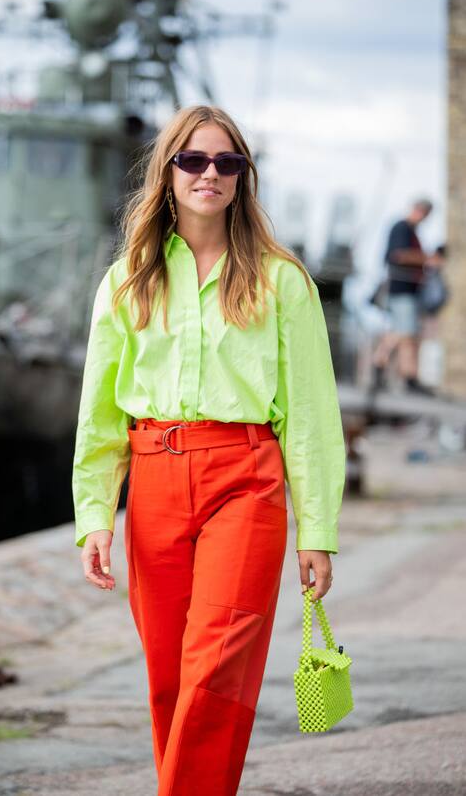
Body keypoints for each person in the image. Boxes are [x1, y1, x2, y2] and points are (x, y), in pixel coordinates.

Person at [72, 105, 346, 795]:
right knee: (170, 676)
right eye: (193, 160)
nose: (210, 174)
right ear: (166, 173)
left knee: (216, 662)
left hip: (246, 482)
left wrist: (317, 530)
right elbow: (100, 413)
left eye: (227, 163)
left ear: (244, 178)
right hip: (156, 483)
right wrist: (95, 514)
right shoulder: (126, 280)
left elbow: (311, 417)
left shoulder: (284, 282)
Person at [371, 198, 445, 395]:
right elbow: (398, 255)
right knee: (405, 332)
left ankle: (403, 374)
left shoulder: (411, 231)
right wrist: (429, 258)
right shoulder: (401, 228)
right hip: (401, 287)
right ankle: (398, 372)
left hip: (409, 288)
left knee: (404, 332)